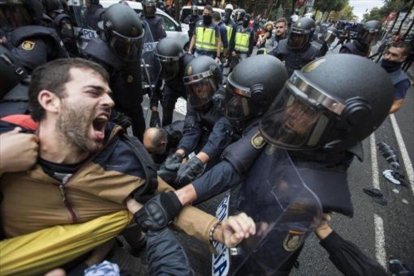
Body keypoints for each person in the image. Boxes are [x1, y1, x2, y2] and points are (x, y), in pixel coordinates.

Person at [136, 54, 394, 274]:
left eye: (306, 110)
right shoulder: (295, 132)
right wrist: (178, 198)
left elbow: (265, 254)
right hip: (238, 219)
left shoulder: (312, 192)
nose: (289, 112)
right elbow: (237, 164)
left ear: (340, 128)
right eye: (293, 100)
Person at [0, 58, 256, 273]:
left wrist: (218, 230)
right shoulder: (9, 144)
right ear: (50, 101)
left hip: (98, 257)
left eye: (108, 94)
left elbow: (166, 202)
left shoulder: (123, 161)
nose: (110, 102)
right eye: (93, 92)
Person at [158, 56, 235, 187]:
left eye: (202, 84)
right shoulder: (193, 99)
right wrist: (179, 153)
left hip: (222, 141)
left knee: (201, 179)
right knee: (157, 137)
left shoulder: (225, 102)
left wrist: (198, 161)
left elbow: (219, 136)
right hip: (202, 134)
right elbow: (191, 129)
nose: (198, 89)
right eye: (194, 86)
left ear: (214, 82)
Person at [82, 3, 146, 140]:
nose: (130, 49)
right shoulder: (99, 58)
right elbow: (93, 96)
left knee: (142, 139)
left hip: (133, 103)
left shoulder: (131, 47)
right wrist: (114, 115)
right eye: (124, 44)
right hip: (113, 110)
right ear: (109, 34)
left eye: (133, 44)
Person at [150, 38, 194, 127]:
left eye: (168, 66)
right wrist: (154, 108)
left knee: (192, 114)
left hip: (188, 88)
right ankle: (166, 131)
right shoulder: (159, 64)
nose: (165, 71)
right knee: (166, 108)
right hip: (171, 86)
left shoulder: (190, 64)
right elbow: (155, 85)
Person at [141, 0, 167, 128]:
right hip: (144, 59)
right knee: (145, 88)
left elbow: (163, 39)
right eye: (148, 7)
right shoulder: (141, 20)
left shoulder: (158, 21)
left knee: (156, 87)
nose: (150, 9)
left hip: (155, 59)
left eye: (152, 7)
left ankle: (157, 114)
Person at [380, 41, 411, 113]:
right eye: (388, 53)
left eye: (394, 55)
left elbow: (397, 104)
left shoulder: (402, 80)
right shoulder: (376, 65)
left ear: (403, 58)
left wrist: (378, 114)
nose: (388, 57)